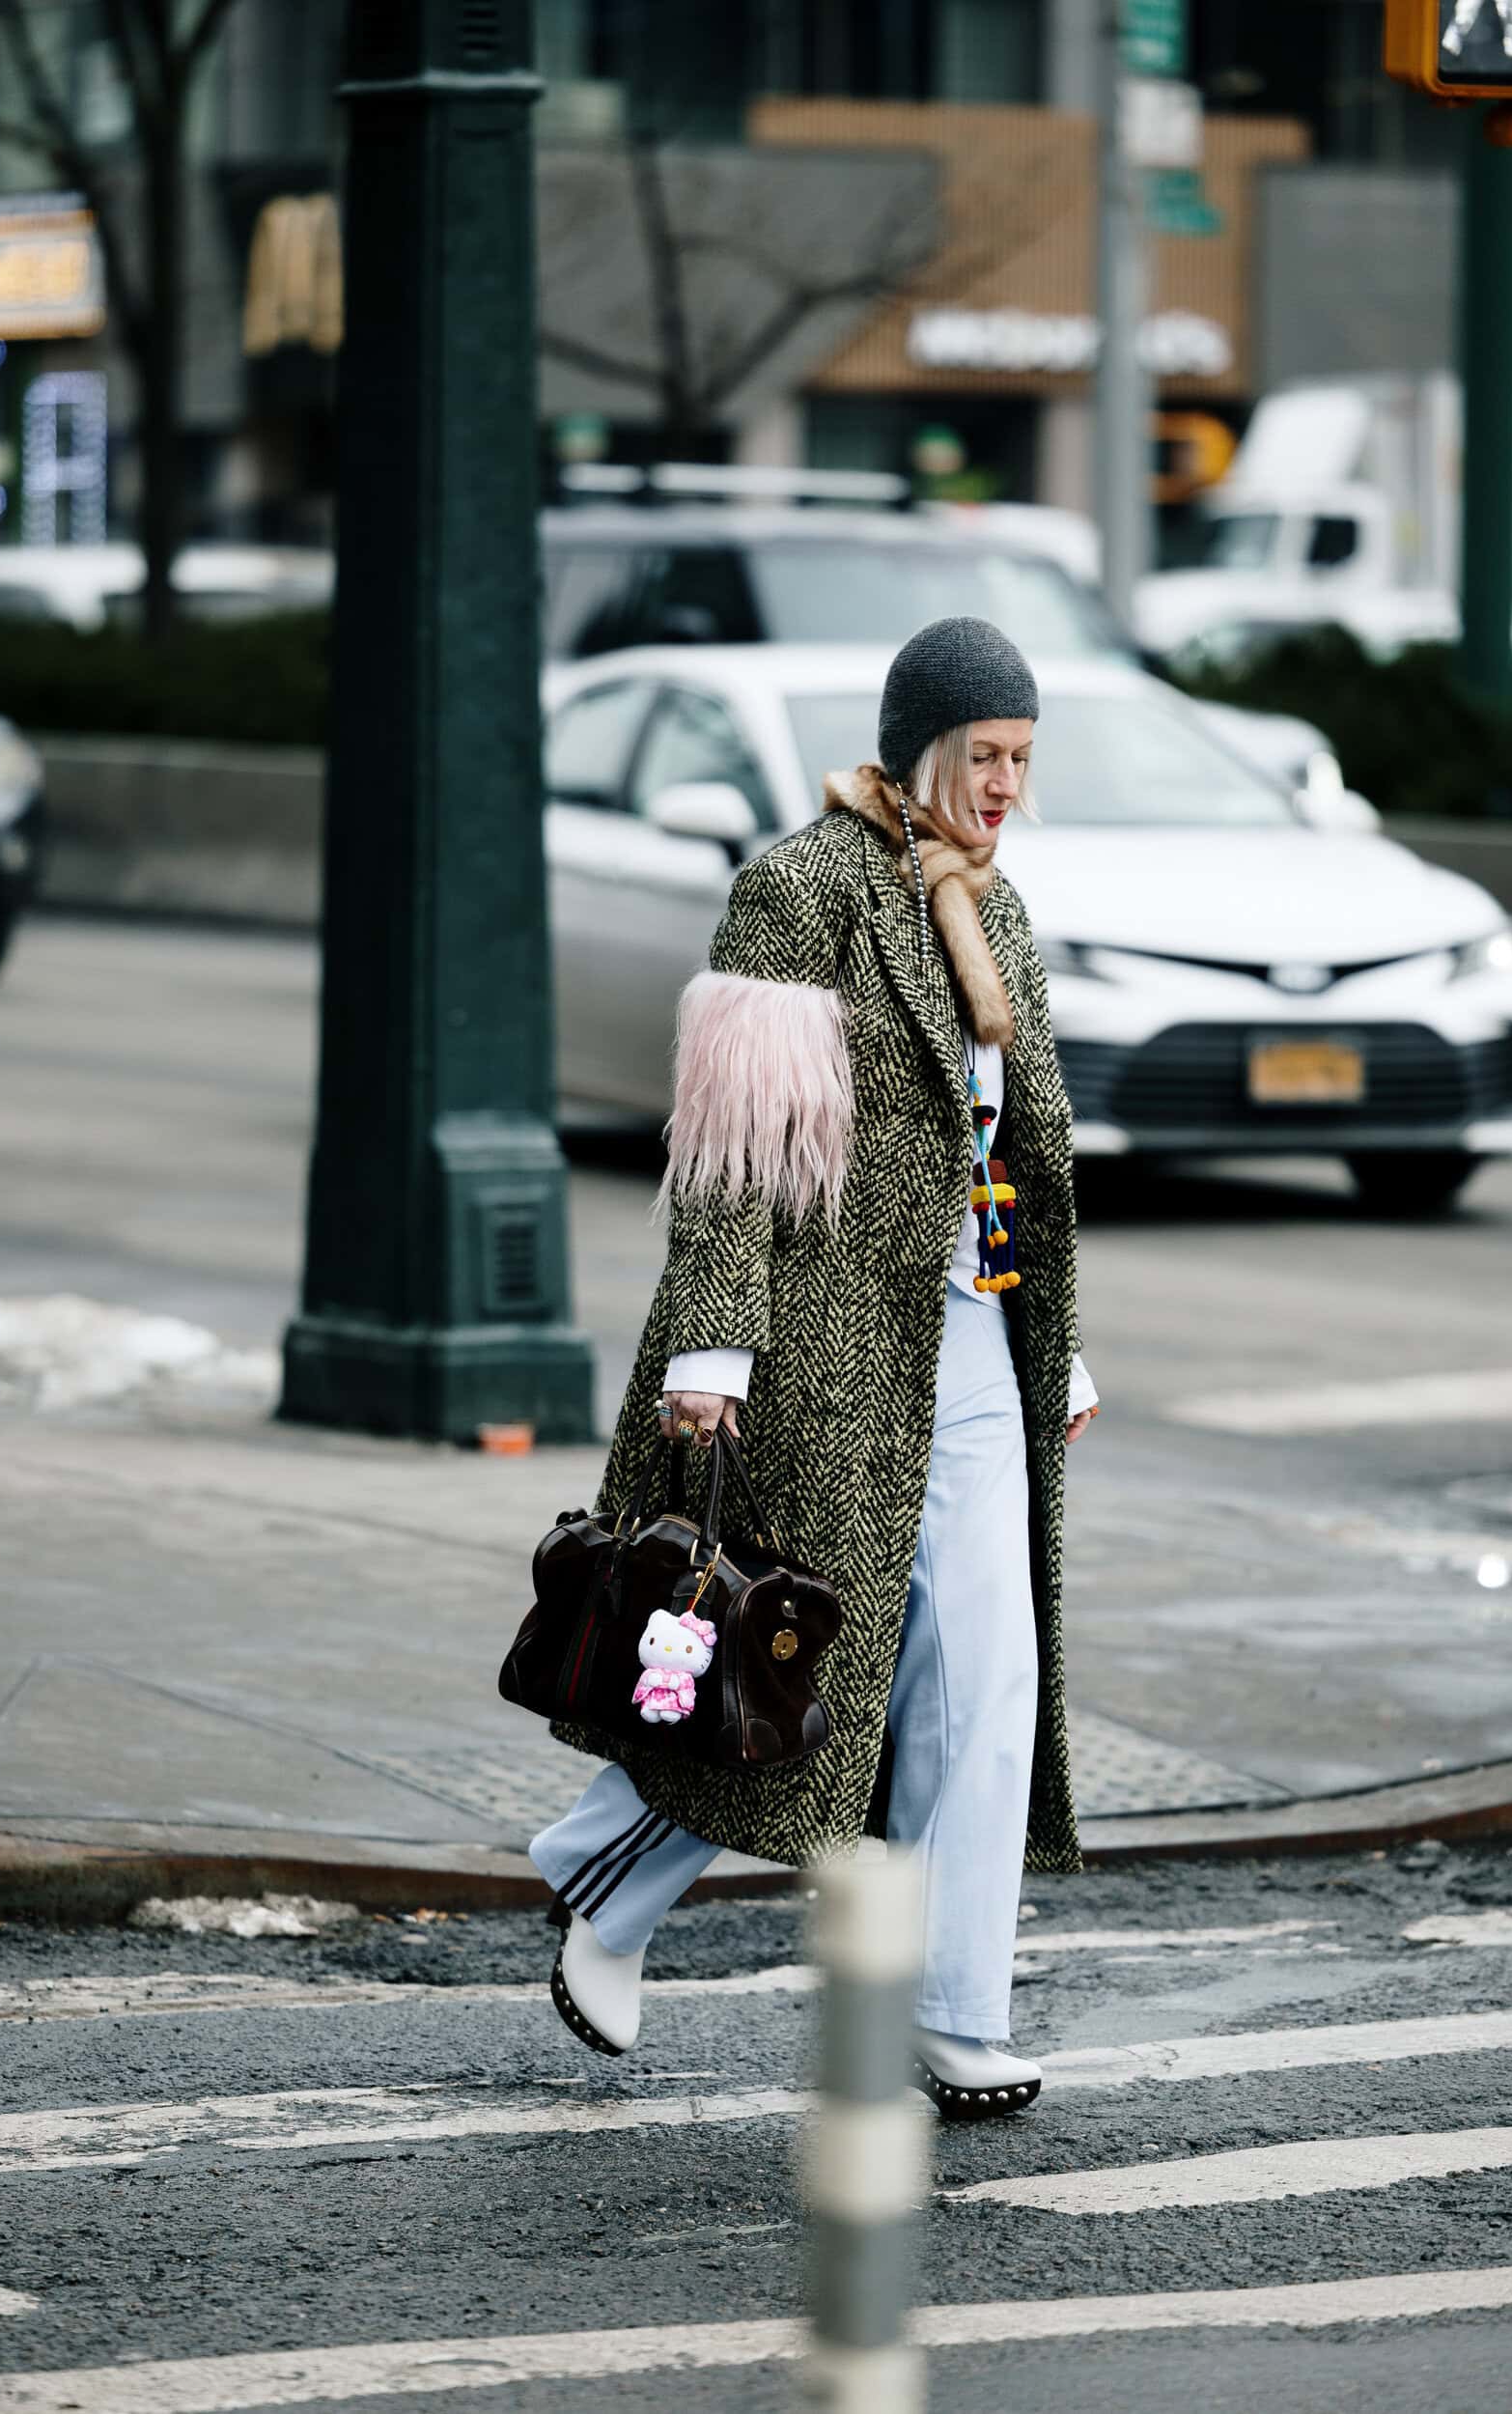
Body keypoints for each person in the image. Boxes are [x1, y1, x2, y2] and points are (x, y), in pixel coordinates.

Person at [531, 617, 1096, 2120]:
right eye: (986, 760)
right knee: (791, 1659)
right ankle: (605, 1873)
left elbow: (1015, 1161)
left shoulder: (1002, 913)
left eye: (1024, 764)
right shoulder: (799, 891)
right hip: (822, 1342)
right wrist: (715, 1339)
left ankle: (962, 2009)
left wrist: (1063, 1342)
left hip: (976, 1340)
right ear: (921, 748)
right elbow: (734, 1159)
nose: (1004, 791)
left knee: (988, 1675)